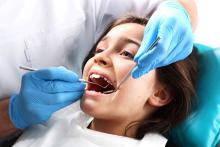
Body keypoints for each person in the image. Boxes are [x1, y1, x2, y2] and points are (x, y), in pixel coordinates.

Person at [0, 0, 198, 139]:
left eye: (127, 53)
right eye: (99, 49)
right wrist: (13, 112)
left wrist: (177, 11)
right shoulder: (52, 126)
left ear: (160, 93)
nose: (99, 57)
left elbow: (179, 4)